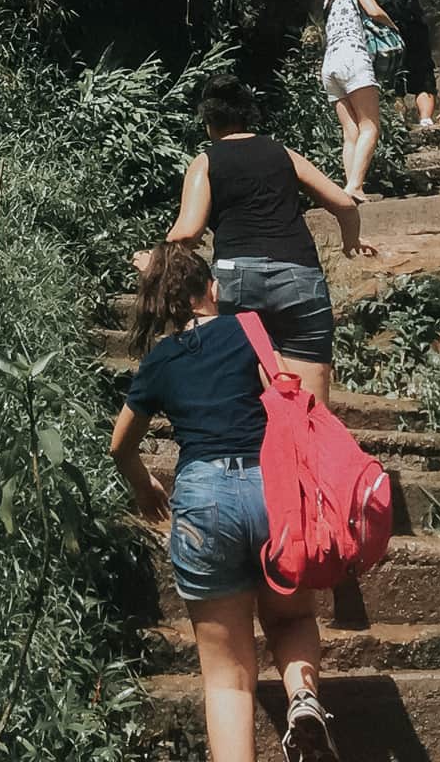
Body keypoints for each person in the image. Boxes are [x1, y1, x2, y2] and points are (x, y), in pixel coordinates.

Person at [111, 244, 341, 762]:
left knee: (227, 679)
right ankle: (303, 699)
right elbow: (287, 401)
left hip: (202, 504)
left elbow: (119, 444)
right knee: (291, 620)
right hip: (270, 491)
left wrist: (144, 484)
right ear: (210, 289)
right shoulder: (247, 330)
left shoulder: (159, 361)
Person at [158, 75, 376, 407]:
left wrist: (159, 256)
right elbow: (344, 204)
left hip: (237, 277)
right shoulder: (283, 154)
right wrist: (351, 241)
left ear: (209, 123)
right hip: (299, 275)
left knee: (244, 400)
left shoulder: (206, 161)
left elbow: (188, 232)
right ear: (249, 115)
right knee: (310, 409)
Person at [319, 0, 395, 200]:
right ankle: (355, 186)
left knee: (350, 131)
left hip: (330, 65)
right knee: (370, 126)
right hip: (352, 57)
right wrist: (393, 27)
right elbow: (373, 11)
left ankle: (349, 188)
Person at [359, 0, 440, 132]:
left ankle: (398, 123)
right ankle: (426, 122)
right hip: (413, 25)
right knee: (422, 72)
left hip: (384, 31)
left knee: (391, 76)